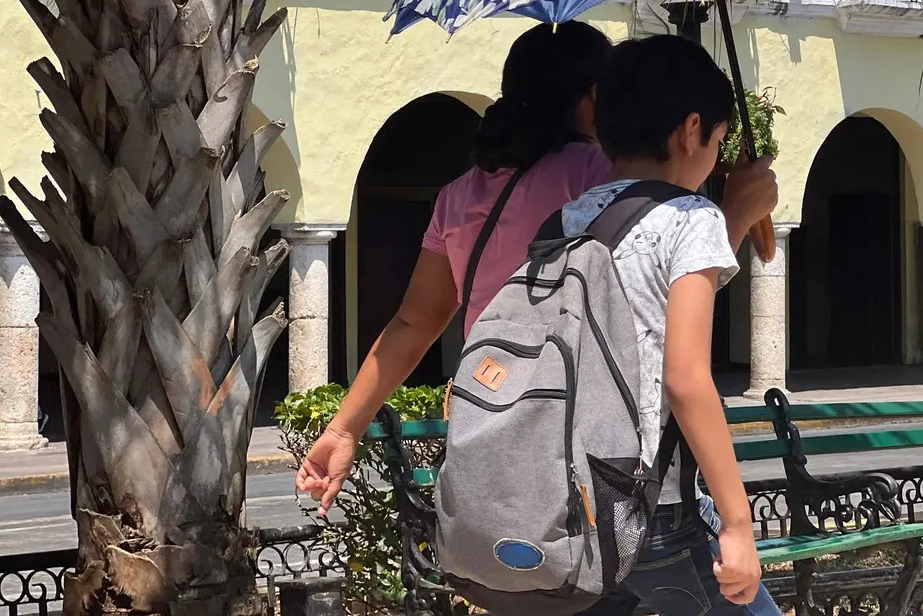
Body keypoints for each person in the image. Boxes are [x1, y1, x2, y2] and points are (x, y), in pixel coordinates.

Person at [296, 25, 778, 516]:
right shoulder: (601, 179)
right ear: (597, 97)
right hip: (588, 446)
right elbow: (661, 299)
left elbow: (412, 323)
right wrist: (735, 215)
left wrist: (343, 429)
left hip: (493, 426)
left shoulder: (460, 195)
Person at [563, 34, 777, 615]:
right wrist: (737, 524)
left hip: (583, 503)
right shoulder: (692, 217)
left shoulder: (578, 214)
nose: (715, 151)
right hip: (656, 510)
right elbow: (684, 378)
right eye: (719, 137)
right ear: (690, 130)